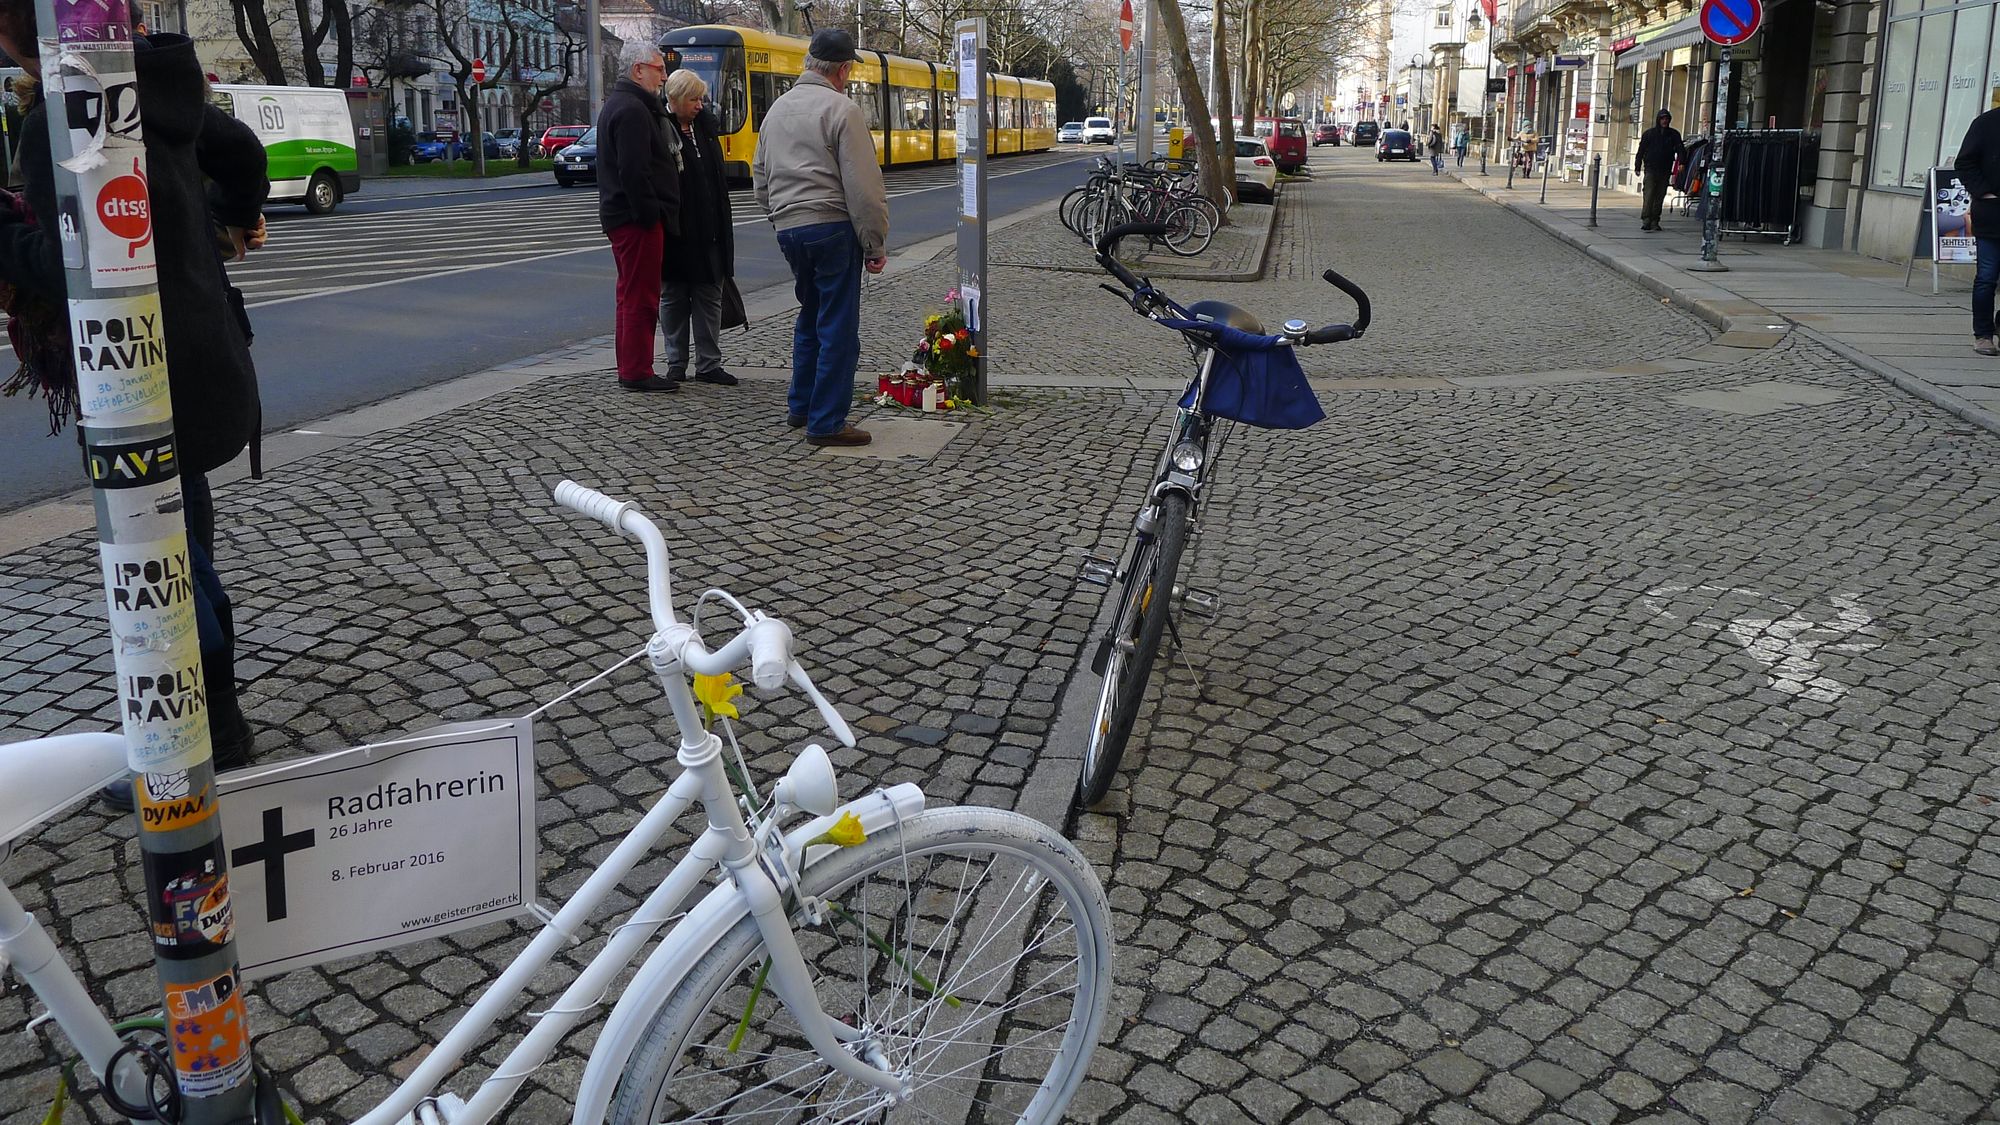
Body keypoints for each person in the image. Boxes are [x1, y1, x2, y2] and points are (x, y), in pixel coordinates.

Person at [0, 10, 269, 803]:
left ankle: (205, 737)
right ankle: (215, 723)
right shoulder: (160, 84)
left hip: (139, 367)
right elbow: (243, 153)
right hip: (204, 345)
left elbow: (70, 261)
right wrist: (227, 215)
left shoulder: (64, 110)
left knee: (168, 562)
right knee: (184, 537)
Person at [753, 28, 888, 448]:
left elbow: (760, 178)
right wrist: (875, 243)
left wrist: (780, 217)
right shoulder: (841, 109)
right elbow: (863, 188)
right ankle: (827, 421)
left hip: (791, 228)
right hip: (831, 227)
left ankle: (801, 405)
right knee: (839, 326)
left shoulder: (776, 110)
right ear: (843, 69)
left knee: (809, 316)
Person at [595, 40, 680, 392]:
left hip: (628, 217)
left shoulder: (625, 104)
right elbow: (634, 171)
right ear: (638, 70)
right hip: (636, 220)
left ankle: (632, 365)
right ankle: (636, 370)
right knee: (641, 296)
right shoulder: (632, 109)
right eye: (659, 69)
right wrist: (651, 214)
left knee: (631, 293)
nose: (664, 76)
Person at [659, 68, 737, 386]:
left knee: (709, 298)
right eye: (693, 99)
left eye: (701, 98)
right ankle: (676, 362)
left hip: (710, 231)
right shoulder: (662, 130)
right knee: (675, 299)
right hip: (676, 234)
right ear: (674, 100)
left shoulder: (705, 129)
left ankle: (709, 364)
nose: (699, 105)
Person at [1953, 106, 2000, 356]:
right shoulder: (1986, 123)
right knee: (1987, 277)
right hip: (1992, 215)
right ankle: (1983, 334)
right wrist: (1984, 192)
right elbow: (1965, 162)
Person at [1635, 109, 1684, 233]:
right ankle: (1646, 219)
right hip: (1651, 168)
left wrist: (1682, 162)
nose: (1665, 121)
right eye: (1662, 119)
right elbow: (1641, 151)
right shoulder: (1649, 134)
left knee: (1660, 195)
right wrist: (1637, 166)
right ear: (1658, 120)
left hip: (1665, 169)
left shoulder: (1674, 134)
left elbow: (1680, 149)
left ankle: (1655, 220)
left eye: (1667, 119)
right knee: (1649, 194)